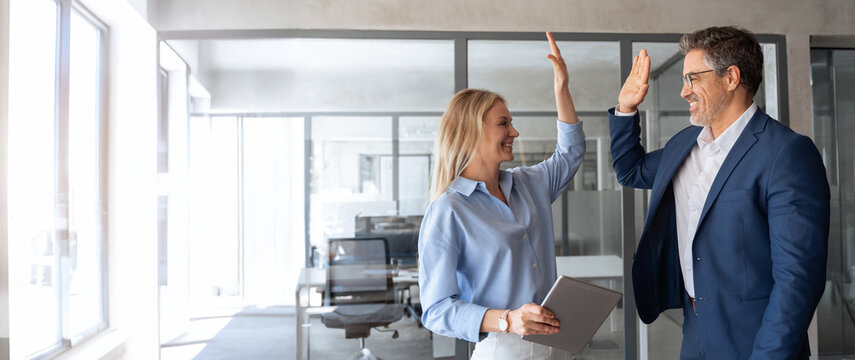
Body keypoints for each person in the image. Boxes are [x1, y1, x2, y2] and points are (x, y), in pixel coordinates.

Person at [610, 26, 830, 359]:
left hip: (755, 340)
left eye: (692, 78)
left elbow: (798, 279)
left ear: (731, 77)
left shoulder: (786, 153)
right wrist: (625, 107)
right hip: (695, 331)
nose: (684, 92)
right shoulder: (684, 144)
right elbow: (630, 170)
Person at [418, 32, 584, 360]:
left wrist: (561, 89)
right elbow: (436, 309)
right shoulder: (449, 210)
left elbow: (571, 153)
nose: (514, 132)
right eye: (503, 123)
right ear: (472, 132)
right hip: (504, 350)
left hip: (557, 345)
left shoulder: (529, 184)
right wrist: (508, 320)